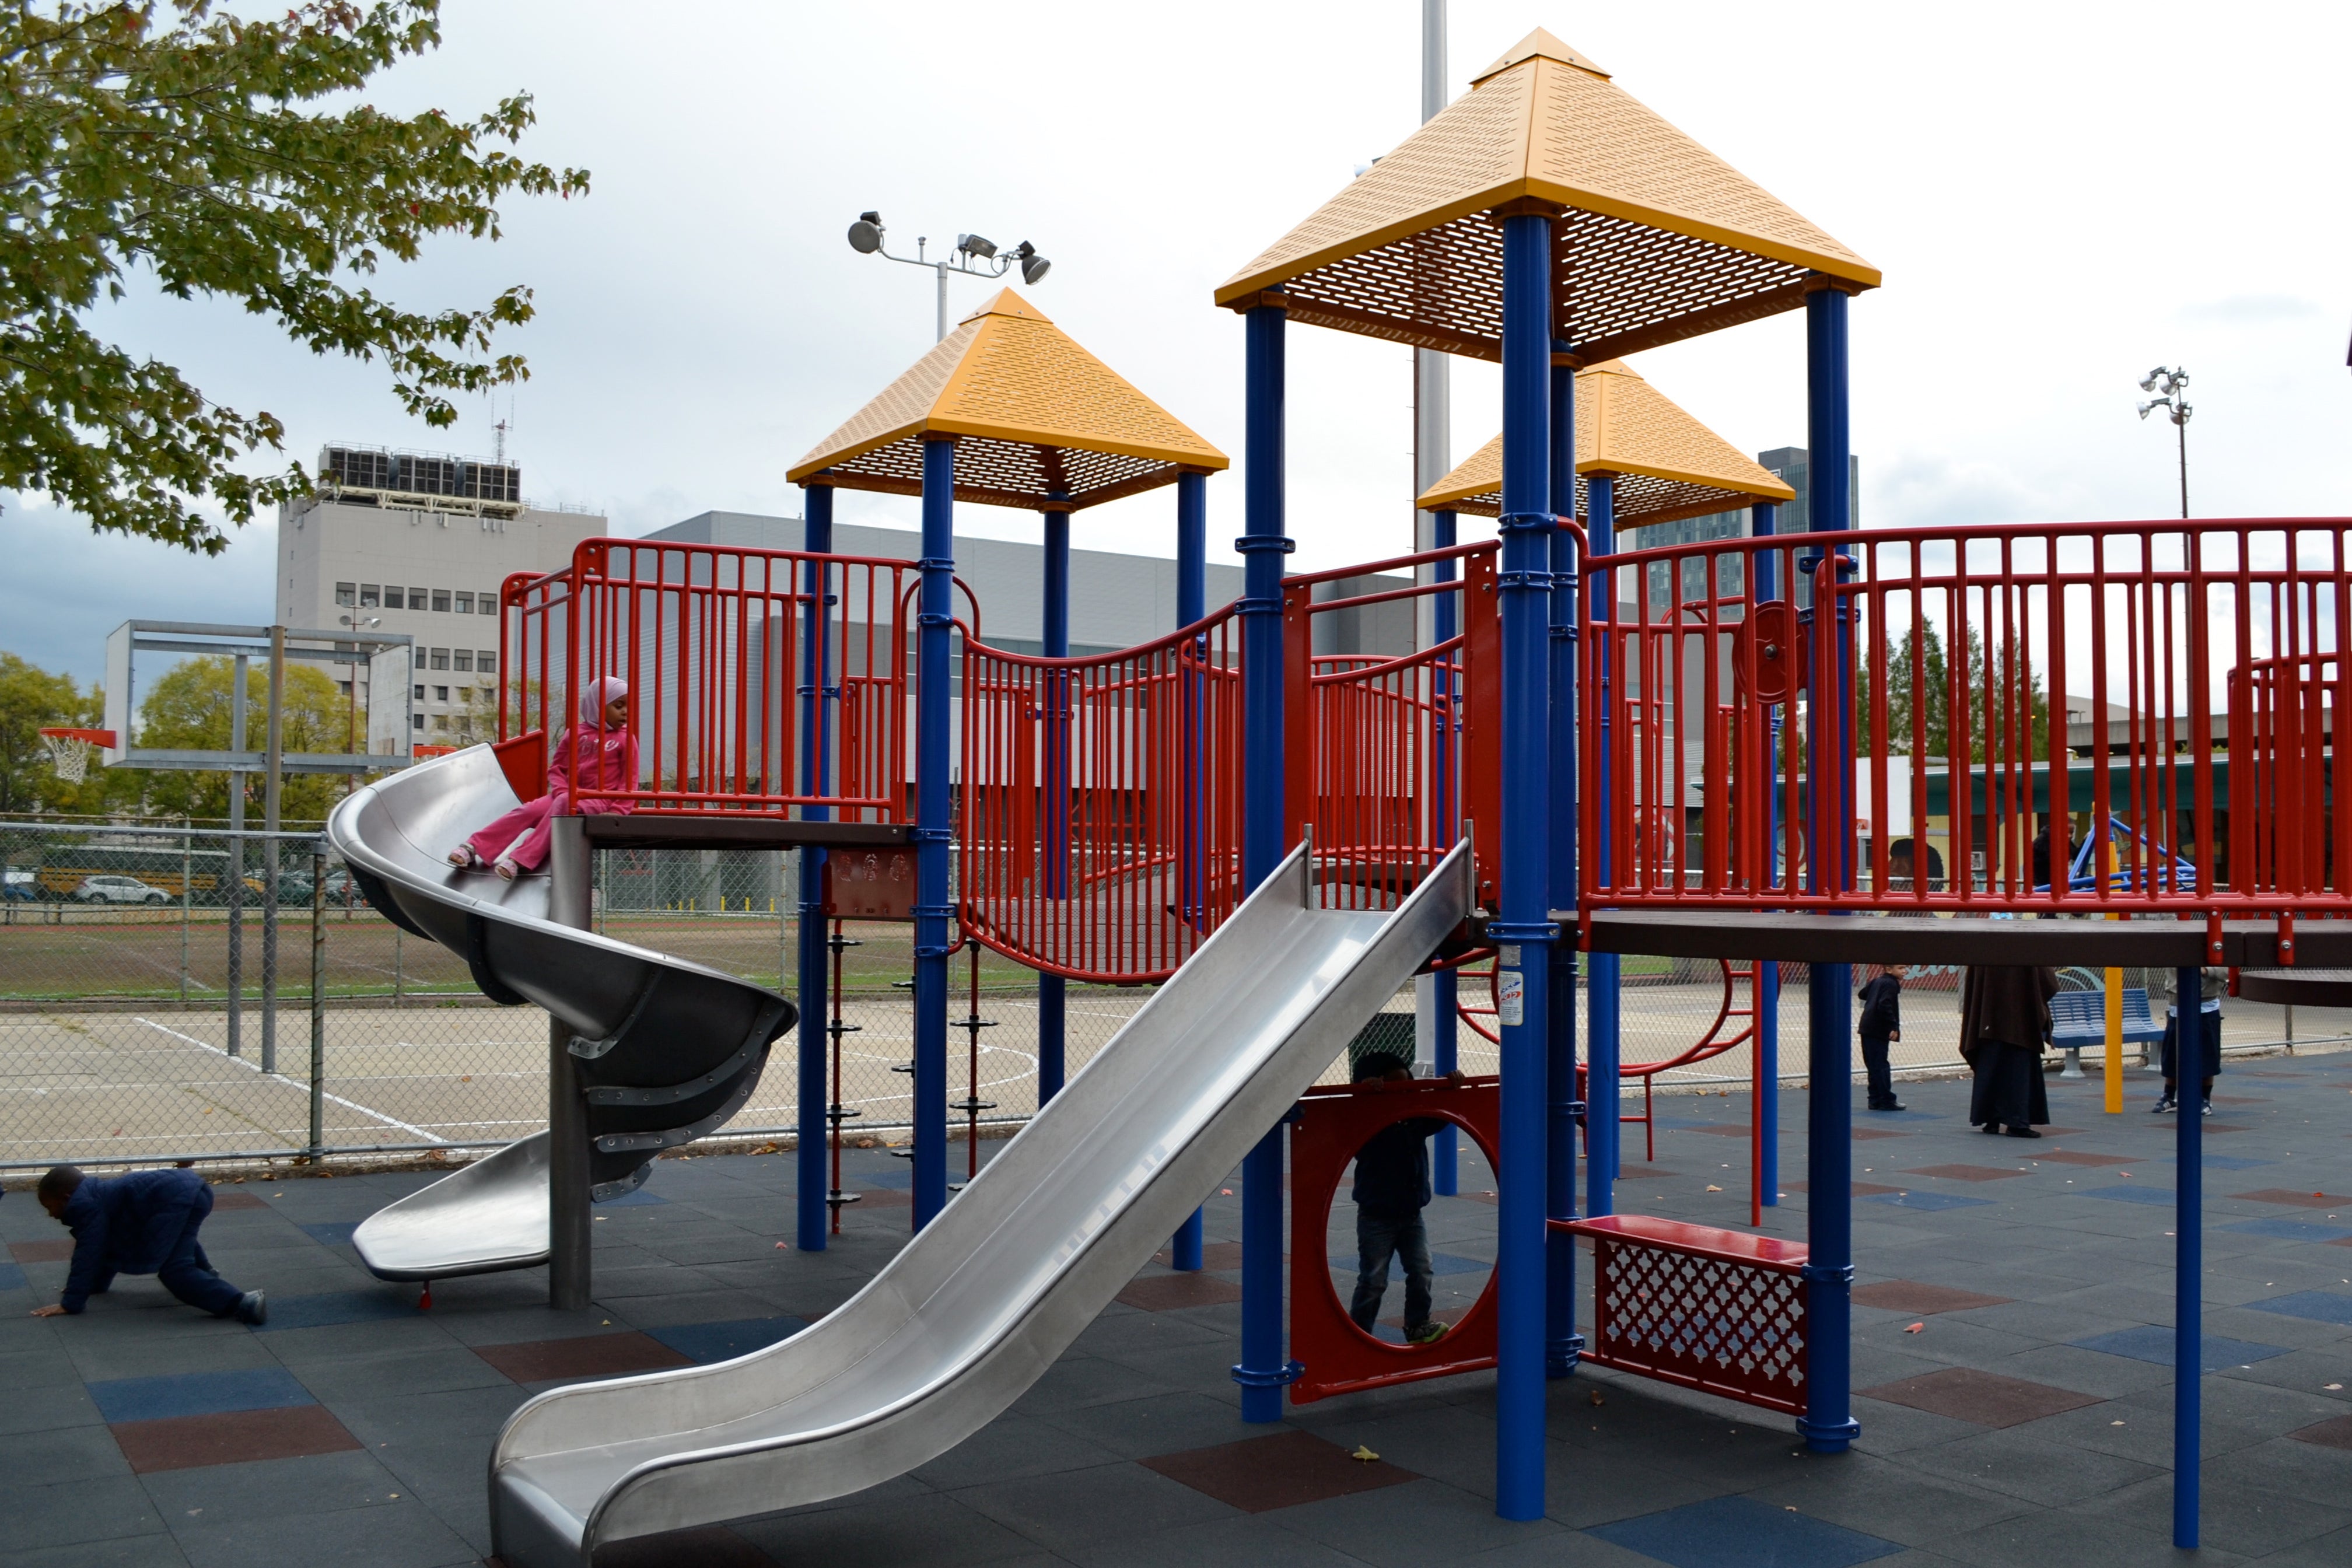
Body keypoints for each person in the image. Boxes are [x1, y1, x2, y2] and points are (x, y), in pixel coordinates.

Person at [450, 677, 638, 880]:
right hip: (566, 795)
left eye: (628, 706)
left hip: (599, 800)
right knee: (528, 810)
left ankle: (521, 858)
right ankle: (475, 847)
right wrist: (561, 791)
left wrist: (617, 811)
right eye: (618, 706)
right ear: (597, 705)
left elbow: (630, 780)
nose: (625, 712)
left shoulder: (626, 739)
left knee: (565, 803)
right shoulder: (575, 734)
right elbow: (557, 769)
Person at [27, 1165, 264, 1324]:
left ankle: (242, 1303)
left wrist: (71, 1303)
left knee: (174, 1269)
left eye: (50, 1207)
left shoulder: (84, 1206)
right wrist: (94, 1285)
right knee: (178, 1241)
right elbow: (107, 1246)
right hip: (194, 1190)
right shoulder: (96, 1197)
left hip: (174, 1198)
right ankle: (206, 1275)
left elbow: (89, 1250)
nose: (51, 1215)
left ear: (66, 1198)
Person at [1347, 1053, 1463, 1346]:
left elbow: (1441, 1115)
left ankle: (1417, 1325)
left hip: (1412, 1214)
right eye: (1394, 1087)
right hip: (1376, 1216)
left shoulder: (1414, 1120)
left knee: (1422, 1270)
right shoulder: (1368, 1121)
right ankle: (1358, 1335)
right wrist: (1363, 1092)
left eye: (1406, 1086)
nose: (1403, 1092)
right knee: (1374, 1280)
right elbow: (1348, 1115)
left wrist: (1452, 1087)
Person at [1961, 964, 2057, 1138]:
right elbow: (2047, 979)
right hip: (2019, 1015)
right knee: (2018, 1064)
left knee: (1991, 1062)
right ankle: (2017, 1122)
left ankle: (1991, 1119)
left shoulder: (1983, 940)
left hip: (1988, 1017)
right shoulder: (2022, 941)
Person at [2155, 966, 2227, 1116]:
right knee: (2172, 1054)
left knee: (2207, 1054)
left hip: (2205, 1003)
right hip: (2177, 1003)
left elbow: (2227, 971)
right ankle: (2169, 1096)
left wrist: (2207, 971)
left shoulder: (2215, 945)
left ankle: (2204, 1098)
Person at [1856, 964, 1907, 1112]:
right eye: (1901, 968)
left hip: (1867, 1026)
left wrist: (1874, 993)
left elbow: (1862, 994)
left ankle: (1875, 1099)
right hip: (1878, 1028)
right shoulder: (1891, 983)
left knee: (1873, 1064)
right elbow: (1885, 1004)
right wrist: (1893, 1026)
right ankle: (1886, 1099)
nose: (1904, 971)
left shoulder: (1878, 981)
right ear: (1889, 970)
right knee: (1881, 1065)